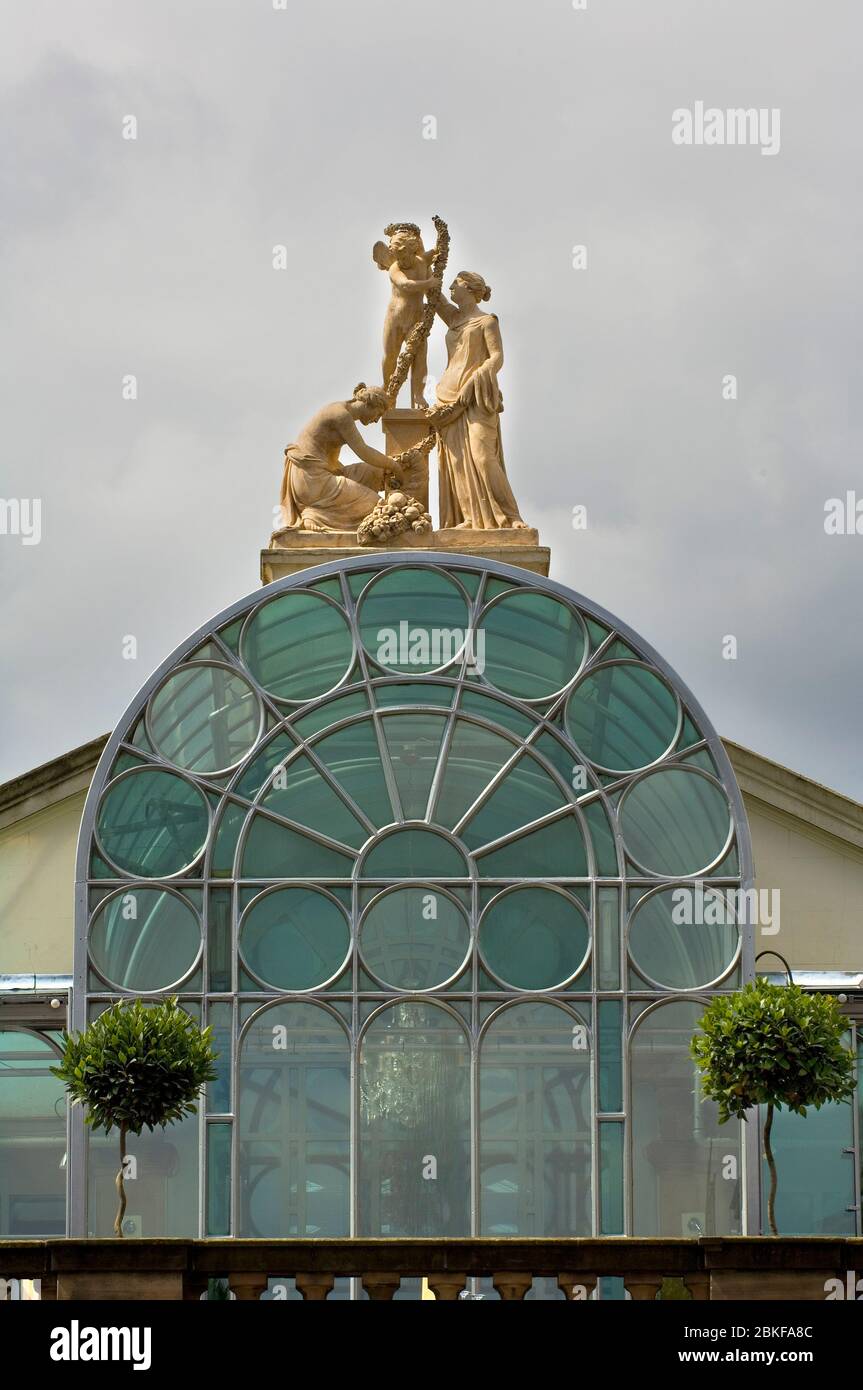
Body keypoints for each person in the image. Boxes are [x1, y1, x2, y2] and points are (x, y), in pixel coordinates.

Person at [429, 271, 527, 530]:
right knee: (457, 460)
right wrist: (423, 259)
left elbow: (496, 358)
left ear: (471, 289)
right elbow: (432, 291)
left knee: (483, 456)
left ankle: (511, 517)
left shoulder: (486, 321)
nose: (451, 287)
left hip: (477, 397)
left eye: (457, 284)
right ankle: (470, 518)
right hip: (447, 397)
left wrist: (474, 380)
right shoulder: (453, 318)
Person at [279, 384, 417, 532]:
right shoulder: (341, 415)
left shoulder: (343, 411)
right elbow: (363, 451)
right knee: (375, 505)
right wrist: (394, 466)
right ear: (369, 404)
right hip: (312, 483)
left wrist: (389, 467)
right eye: (378, 414)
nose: (376, 420)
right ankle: (314, 516)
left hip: (321, 475)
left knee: (376, 471)